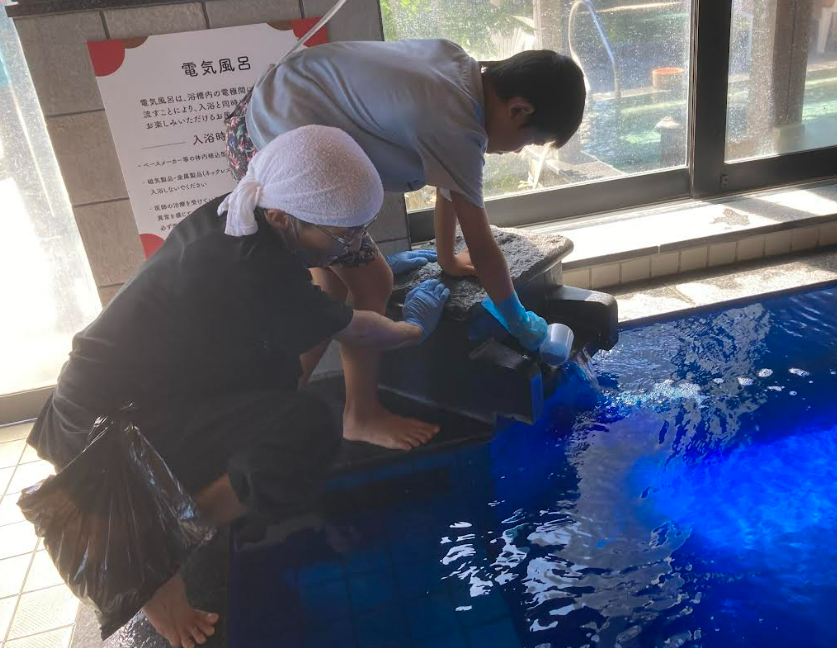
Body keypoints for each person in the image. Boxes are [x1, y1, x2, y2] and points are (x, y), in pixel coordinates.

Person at [26, 125, 450, 648]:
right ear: (283, 217)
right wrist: (414, 328)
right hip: (103, 427)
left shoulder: (243, 214)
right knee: (304, 429)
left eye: (360, 232)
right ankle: (160, 549)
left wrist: (355, 269)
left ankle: (178, 512)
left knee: (273, 382)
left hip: (141, 388)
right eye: (344, 236)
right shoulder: (252, 268)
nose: (354, 247)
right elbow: (356, 327)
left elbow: (315, 312)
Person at [227, 39, 586, 449]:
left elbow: (449, 178)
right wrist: (520, 321)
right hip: (280, 155)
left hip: (260, 117)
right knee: (372, 283)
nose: (518, 150)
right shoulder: (457, 124)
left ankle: (280, 405)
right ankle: (359, 415)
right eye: (528, 141)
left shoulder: (457, 67)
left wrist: (448, 260)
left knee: (329, 289)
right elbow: (483, 245)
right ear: (519, 109)